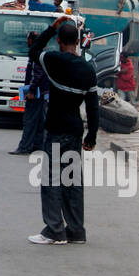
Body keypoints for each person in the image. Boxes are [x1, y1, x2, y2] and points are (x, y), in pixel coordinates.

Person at [27, 18, 100, 245]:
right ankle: (76, 230)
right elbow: (93, 106)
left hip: (57, 129)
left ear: (59, 41)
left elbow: (34, 50)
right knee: (72, 182)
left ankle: (54, 230)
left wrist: (50, 27)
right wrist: (92, 136)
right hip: (76, 131)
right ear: (78, 42)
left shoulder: (53, 60)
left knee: (51, 180)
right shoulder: (88, 69)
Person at [11, 31, 50, 154]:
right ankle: (38, 146)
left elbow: (37, 75)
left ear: (33, 41)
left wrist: (31, 91)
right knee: (39, 121)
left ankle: (24, 147)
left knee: (30, 120)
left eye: (28, 40)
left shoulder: (37, 55)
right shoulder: (42, 54)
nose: (27, 42)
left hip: (36, 94)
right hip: (43, 94)